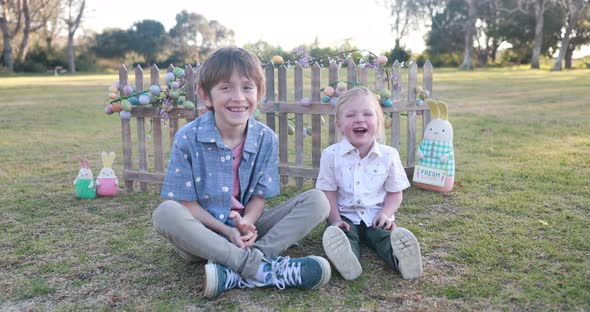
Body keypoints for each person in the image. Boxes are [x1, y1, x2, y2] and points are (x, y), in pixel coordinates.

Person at [152, 46, 331, 298]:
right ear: (206, 95)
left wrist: (246, 223)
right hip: (202, 237)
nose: (238, 97)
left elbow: (259, 198)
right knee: (165, 213)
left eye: (247, 87)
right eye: (226, 88)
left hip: (248, 234)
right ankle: (259, 268)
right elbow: (189, 206)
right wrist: (227, 231)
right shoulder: (188, 138)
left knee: (318, 200)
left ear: (260, 93)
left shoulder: (265, 138)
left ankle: (238, 269)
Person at [316, 86, 423, 281]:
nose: (359, 119)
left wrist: (386, 214)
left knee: (384, 237)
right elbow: (328, 192)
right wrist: (334, 219)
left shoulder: (389, 155)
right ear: (339, 124)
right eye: (350, 115)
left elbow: (394, 193)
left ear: (378, 121)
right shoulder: (331, 155)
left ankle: (403, 261)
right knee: (343, 237)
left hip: (376, 216)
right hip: (344, 216)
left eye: (367, 114)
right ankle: (347, 261)